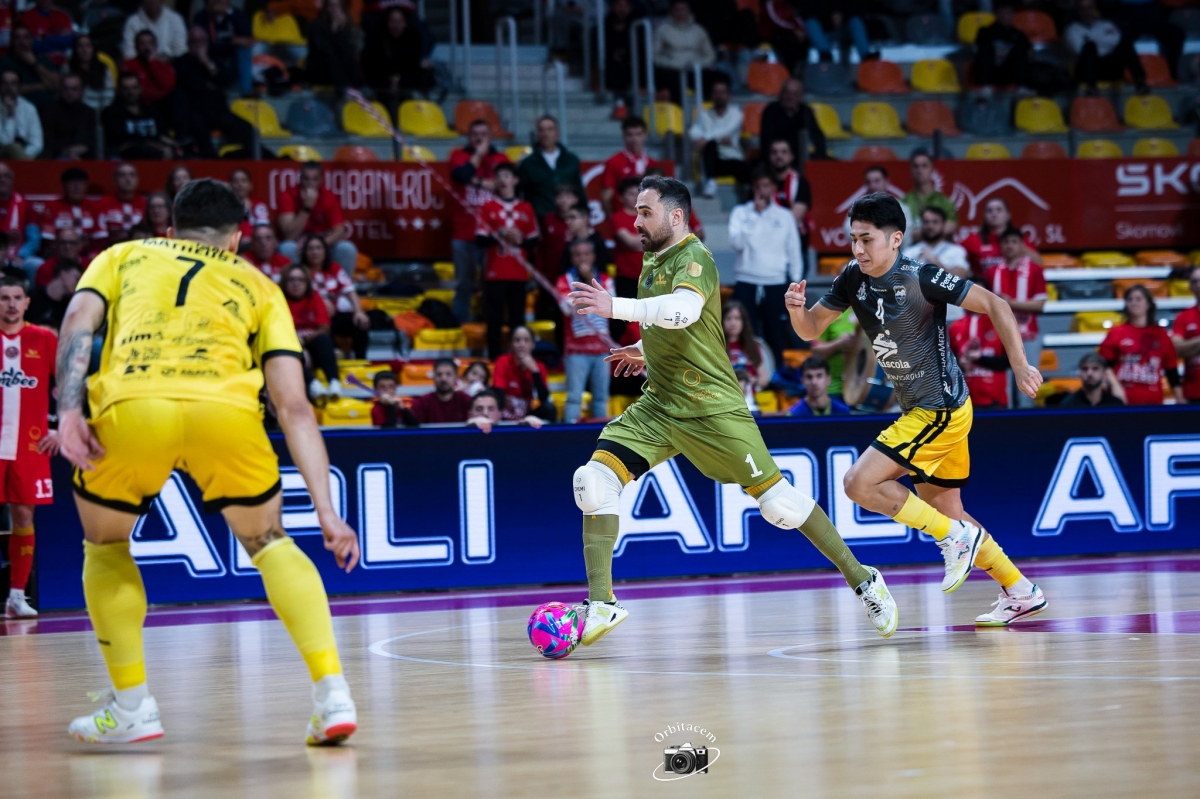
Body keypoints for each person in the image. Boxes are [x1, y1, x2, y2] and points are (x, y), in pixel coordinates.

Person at [57, 178, 359, 745]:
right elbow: (294, 407)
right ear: (237, 240)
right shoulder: (261, 284)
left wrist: (68, 410)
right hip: (225, 413)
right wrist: (328, 512)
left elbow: (77, 322)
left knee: (106, 546)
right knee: (271, 542)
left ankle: (131, 707)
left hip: (133, 407)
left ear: (169, 231)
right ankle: (332, 693)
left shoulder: (122, 255)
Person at [566, 175, 898, 647]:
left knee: (779, 505)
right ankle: (602, 603)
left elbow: (683, 310)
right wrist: (644, 348)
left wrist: (614, 306)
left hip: (712, 409)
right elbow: (677, 327)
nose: (636, 220)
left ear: (675, 216)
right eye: (636, 211)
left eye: (645, 212)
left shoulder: (695, 256)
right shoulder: (652, 258)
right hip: (659, 405)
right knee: (593, 481)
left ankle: (864, 579)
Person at [786, 191, 1048, 626]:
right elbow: (812, 329)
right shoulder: (851, 277)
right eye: (853, 239)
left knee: (858, 484)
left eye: (867, 239)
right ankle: (1020, 590)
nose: (857, 249)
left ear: (895, 239)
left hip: (940, 409)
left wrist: (1020, 365)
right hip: (928, 410)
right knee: (949, 512)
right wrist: (797, 312)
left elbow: (996, 305)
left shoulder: (922, 277)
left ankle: (955, 539)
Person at [0, 271, 59, 618]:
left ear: (27, 302)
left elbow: (69, 384)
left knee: (24, 516)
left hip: (30, 446)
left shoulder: (43, 339)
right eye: (4, 298)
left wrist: (61, 427)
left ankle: (16, 596)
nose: (10, 304)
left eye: (15, 297)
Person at [729, 168, 802, 363]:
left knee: (775, 333)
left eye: (766, 186)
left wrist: (795, 283)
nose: (762, 190)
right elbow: (737, 243)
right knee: (745, 333)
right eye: (759, 186)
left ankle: (776, 376)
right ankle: (747, 374)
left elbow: (794, 250)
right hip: (746, 281)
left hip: (776, 283)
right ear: (753, 188)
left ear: (773, 188)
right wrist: (754, 216)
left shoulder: (785, 216)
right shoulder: (740, 213)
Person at [476, 163, 538, 359]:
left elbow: (534, 240)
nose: (503, 180)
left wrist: (520, 239)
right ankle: (495, 358)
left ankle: (519, 358)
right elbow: (479, 238)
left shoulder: (526, 208)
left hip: (518, 273)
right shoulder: (487, 207)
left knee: (517, 319)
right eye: (499, 176)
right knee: (493, 319)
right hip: (494, 272)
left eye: (507, 175)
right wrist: (501, 235)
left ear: (515, 180)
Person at [449, 119, 508, 323]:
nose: (479, 138)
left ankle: (487, 322)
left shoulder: (501, 158)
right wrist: (479, 155)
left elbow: (504, 185)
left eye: (483, 133)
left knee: (490, 283)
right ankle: (460, 324)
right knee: (464, 284)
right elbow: (460, 175)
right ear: (469, 136)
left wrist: (476, 181)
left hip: (492, 233)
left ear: (490, 135)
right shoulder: (459, 155)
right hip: (463, 232)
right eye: (475, 134)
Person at [172, 27, 255, 158]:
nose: (198, 44)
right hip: (195, 113)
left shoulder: (214, 60)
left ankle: (239, 157)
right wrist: (212, 84)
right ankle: (211, 162)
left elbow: (226, 80)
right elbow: (192, 85)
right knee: (198, 131)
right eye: (194, 41)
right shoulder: (181, 62)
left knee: (248, 129)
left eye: (202, 40)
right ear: (188, 44)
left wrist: (206, 62)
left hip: (218, 111)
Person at [557, 239, 613, 423]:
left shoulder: (606, 278)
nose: (583, 258)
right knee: (574, 397)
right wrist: (597, 298)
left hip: (603, 349)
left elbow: (612, 305)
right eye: (578, 254)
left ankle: (602, 440)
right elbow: (568, 308)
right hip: (576, 350)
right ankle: (570, 437)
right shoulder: (563, 280)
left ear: (594, 256)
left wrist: (590, 280)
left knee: (601, 398)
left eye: (587, 253)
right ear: (572, 258)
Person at [1098, 284, 1183, 405]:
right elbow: (1104, 364)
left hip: (1153, 401)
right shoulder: (1116, 332)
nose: (1134, 303)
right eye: (1130, 299)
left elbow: (1171, 370)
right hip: (1122, 400)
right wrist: (1115, 387)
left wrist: (1180, 398)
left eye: (1138, 299)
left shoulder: (1161, 334)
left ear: (1148, 304)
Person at [277, 161, 357, 273]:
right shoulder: (288, 195)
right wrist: (307, 207)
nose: (310, 183)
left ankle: (344, 288)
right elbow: (289, 235)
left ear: (321, 180)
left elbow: (339, 231)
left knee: (347, 248)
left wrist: (317, 245)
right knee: (287, 248)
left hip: (322, 243)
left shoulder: (328, 195)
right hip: (298, 245)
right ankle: (292, 287)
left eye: (315, 179)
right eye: (306, 179)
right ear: (300, 179)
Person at [300, 235, 370, 360]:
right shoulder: (301, 272)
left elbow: (350, 290)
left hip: (336, 315)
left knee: (360, 323)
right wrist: (321, 304)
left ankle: (361, 361)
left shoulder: (334, 268)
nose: (315, 252)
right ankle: (334, 355)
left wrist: (359, 311)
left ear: (325, 251)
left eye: (318, 248)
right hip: (313, 319)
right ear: (304, 252)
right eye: (310, 249)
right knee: (325, 324)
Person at [280, 263, 341, 400]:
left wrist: (305, 339)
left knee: (324, 340)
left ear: (307, 282)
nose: (296, 284)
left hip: (311, 343)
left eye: (300, 280)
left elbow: (324, 327)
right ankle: (313, 384)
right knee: (289, 351)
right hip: (288, 344)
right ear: (284, 282)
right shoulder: (277, 299)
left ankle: (334, 382)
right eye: (291, 280)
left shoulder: (314, 297)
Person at [984, 226, 1047, 356]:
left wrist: (1010, 303)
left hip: (1028, 334)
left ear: (1022, 245)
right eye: (1006, 242)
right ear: (1000, 245)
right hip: (998, 334)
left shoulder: (1035, 270)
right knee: (1002, 375)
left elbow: (1039, 305)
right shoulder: (992, 272)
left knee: (1029, 375)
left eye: (1014, 241)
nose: (1010, 245)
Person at [1066, 0, 1145, 93]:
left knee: (1125, 44)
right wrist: (1101, 44)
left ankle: (1140, 81)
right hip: (1086, 69)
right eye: (1083, 9)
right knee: (1089, 47)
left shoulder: (1107, 25)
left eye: (1090, 8)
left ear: (1095, 8)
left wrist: (1095, 44)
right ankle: (1092, 88)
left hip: (1108, 66)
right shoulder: (1072, 30)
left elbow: (1117, 41)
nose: (1087, 12)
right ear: (1079, 11)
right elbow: (1079, 50)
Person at [362, 7, 434, 108]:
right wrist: (390, 80)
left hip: (408, 85)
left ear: (405, 23)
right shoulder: (377, 39)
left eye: (400, 22)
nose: (396, 26)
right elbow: (372, 65)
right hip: (381, 86)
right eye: (393, 21)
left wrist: (399, 80)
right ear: (387, 22)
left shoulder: (412, 38)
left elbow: (412, 64)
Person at [688, 78, 746, 199]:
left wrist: (705, 138)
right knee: (710, 145)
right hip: (714, 161)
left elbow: (727, 129)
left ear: (729, 95)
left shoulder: (737, 113)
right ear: (711, 95)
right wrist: (717, 139)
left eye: (722, 92)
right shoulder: (704, 115)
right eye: (716, 92)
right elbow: (693, 131)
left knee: (747, 169)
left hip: (733, 159)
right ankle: (711, 182)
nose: (719, 96)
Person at [652, 0, 719, 104]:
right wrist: (675, 64)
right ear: (671, 12)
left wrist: (697, 65)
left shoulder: (699, 30)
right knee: (673, 82)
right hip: (672, 70)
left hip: (696, 70)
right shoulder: (661, 30)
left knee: (721, 79)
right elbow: (654, 56)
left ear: (689, 11)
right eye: (677, 10)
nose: (681, 13)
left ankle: (707, 112)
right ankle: (680, 114)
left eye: (684, 9)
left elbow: (710, 55)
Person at [518, 115, 584, 219]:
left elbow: (580, 191)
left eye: (550, 129)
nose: (546, 134)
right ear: (537, 134)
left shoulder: (571, 160)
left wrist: (585, 214)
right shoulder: (528, 164)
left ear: (557, 133)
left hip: (569, 220)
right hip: (540, 221)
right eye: (541, 130)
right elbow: (521, 195)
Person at [960, 197, 1040, 279]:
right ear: (984, 216)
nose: (994, 214)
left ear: (1008, 215)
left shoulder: (1018, 239)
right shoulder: (974, 239)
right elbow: (955, 258)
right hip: (983, 288)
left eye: (999, 210)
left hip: (1013, 287)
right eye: (989, 211)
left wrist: (1017, 246)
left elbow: (1038, 262)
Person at [101, 71, 175, 160]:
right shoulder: (111, 113)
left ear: (140, 88)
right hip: (126, 158)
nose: (130, 92)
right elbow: (116, 141)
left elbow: (163, 134)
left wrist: (167, 147)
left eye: (134, 88)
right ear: (119, 90)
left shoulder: (152, 111)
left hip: (154, 156)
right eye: (126, 88)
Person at [493, 325, 556, 423]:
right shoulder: (502, 361)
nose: (521, 344)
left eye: (526, 340)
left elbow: (543, 398)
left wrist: (535, 372)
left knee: (549, 408)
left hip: (527, 415)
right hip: (505, 413)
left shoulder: (539, 366)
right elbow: (498, 394)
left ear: (533, 344)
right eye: (517, 340)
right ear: (511, 344)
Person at [949, 311, 1011, 409]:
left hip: (995, 399)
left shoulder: (1000, 324)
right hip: (964, 400)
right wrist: (960, 364)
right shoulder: (955, 327)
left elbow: (1011, 361)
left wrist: (981, 359)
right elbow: (948, 363)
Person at [192, 0, 254, 94]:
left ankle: (246, 92)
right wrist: (232, 41)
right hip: (210, 58)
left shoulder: (237, 15)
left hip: (231, 58)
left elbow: (248, 40)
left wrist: (229, 15)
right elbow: (204, 42)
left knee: (244, 51)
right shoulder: (201, 16)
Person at [40, 167, 106, 254]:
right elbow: (48, 239)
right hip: (60, 254)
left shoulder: (95, 206)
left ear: (86, 186)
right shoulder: (52, 206)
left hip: (88, 254)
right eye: (72, 183)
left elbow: (100, 238)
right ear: (63, 185)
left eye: (81, 183)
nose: (77, 187)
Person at [760, 79, 827, 164]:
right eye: (787, 93)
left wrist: (819, 157)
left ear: (801, 97)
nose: (790, 97)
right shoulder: (770, 111)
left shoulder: (806, 112)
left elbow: (817, 136)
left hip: (800, 157)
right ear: (781, 94)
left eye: (795, 94)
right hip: (777, 159)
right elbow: (767, 141)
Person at [601, 116, 658, 216]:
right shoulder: (614, 162)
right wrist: (614, 220)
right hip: (623, 219)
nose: (634, 139)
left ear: (646, 135)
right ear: (623, 136)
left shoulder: (652, 163)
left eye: (638, 134)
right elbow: (606, 197)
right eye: (630, 135)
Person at [767, 138, 813, 262]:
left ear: (791, 156)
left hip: (796, 246)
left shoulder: (801, 183)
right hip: (768, 247)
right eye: (774, 152)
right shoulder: (762, 184)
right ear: (770, 156)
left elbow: (794, 218)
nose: (779, 156)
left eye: (784, 152)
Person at [972, 2, 1033, 93]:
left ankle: (1022, 86)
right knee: (985, 48)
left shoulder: (1018, 34)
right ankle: (986, 86)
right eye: (1003, 13)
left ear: (1013, 15)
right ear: (997, 14)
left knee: (1021, 49)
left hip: (1008, 73)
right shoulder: (985, 31)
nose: (1005, 16)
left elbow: (1029, 51)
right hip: (989, 71)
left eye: (1008, 13)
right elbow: (978, 51)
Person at [305, 0, 363, 93]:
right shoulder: (316, 25)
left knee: (348, 58)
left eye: (337, 6)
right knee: (332, 58)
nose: (334, 9)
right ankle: (346, 89)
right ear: (326, 7)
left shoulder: (346, 25)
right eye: (331, 6)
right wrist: (336, 28)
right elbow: (323, 49)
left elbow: (351, 50)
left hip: (340, 69)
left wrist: (342, 29)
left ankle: (359, 87)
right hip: (320, 68)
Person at [39, 73, 97, 160]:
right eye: (66, 89)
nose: (69, 93)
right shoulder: (49, 111)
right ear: (61, 89)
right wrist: (68, 151)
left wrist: (84, 148)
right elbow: (47, 140)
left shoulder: (90, 113)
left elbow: (95, 139)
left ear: (82, 90)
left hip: (85, 156)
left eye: (74, 89)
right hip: (57, 156)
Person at [902, 150, 956, 241]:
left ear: (932, 170)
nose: (920, 170)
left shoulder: (944, 202)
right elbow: (904, 234)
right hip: (911, 252)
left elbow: (950, 228)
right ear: (911, 171)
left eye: (924, 166)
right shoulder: (904, 202)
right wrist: (934, 229)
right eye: (916, 166)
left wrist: (919, 232)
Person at [0, 24, 59, 107]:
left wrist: (34, 64)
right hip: (16, 108)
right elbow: (8, 90)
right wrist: (40, 86)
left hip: (46, 108)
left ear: (31, 40)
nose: (22, 42)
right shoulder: (5, 62)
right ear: (11, 41)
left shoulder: (41, 58)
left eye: (26, 37)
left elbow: (56, 85)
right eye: (17, 38)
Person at [903, 206, 969, 278]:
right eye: (926, 222)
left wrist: (934, 262)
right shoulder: (910, 252)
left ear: (943, 224)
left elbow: (961, 277)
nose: (930, 226)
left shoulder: (956, 251)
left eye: (935, 222)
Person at [0, 163, 41, 280]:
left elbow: (34, 239)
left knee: (35, 264)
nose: (2, 180)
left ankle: (30, 296)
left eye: (6, 176)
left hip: (18, 255)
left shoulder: (25, 205)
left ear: (12, 179)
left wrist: (21, 255)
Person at [404, 358, 476, 424]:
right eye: (439, 374)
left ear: (456, 377)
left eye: (448, 374)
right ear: (434, 377)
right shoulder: (421, 403)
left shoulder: (467, 401)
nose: (443, 379)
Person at [610, 176, 645, 308]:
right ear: (621, 197)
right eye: (630, 194)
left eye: (638, 194)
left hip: (651, 275)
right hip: (627, 276)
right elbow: (629, 242)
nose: (635, 197)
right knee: (627, 316)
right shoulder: (617, 217)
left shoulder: (651, 216)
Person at [723, 299, 771, 393]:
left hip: (750, 398)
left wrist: (751, 380)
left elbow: (764, 380)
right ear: (722, 321)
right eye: (728, 318)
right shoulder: (716, 345)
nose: (732, 323)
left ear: (743, 322)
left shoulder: (753, 345)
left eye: (737, 318)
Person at [805, 0, 876, 62]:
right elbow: (810, 11)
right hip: (824, 32)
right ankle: (826, 56)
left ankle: (867, 58)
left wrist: (842, 15)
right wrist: (830, 15)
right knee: (811, 23)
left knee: (855, 21)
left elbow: (859, 9)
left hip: (846, 30)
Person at [811, 308, 856, 402]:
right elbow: (815, 350)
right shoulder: (829, 313)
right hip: (834, 387)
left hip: (864, 385)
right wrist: (839, 343)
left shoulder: (871, 312)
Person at [122, 30, 177, 107]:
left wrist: (152, 63)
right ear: (136, 47)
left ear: (156, 46)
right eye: (142, 44)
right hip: (140, 105)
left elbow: (167, 87)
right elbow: (133, 91)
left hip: (162, 105)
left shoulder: (164, 64)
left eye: (150, 43)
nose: (147, 47)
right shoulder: (129, 65)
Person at [122, 0, 189, 61]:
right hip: (140, 68)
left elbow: (181, 52)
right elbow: (129, 53)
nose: (152, 1)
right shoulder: (132, 22)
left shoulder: (176, 19)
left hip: (170, 67)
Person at [1171, 265, 1200, 404]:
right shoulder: (1183, 316)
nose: (1199, 284)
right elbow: (1176, 349)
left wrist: (1191, 346)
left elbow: (1183, 347)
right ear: (1190, 287)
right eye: (1195, 281)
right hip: (1193, 391)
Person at [26, 255, 80, 330]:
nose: (79, 283)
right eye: (77, 278)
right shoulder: (32, 296)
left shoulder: (66, 308)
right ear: (63, 273)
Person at [557, 201, 608, 275]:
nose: (568, 222)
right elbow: (563, 271)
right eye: (567, 218)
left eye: (572, 217)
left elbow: (604, 271)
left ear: (585, 218)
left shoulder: (598, 242)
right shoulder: (569, 244)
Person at [0, 69, 42, 159]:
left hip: (24, 154)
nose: (8, 87)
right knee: (14, 147)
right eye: (5, 83)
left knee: (17, 149)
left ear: (19, 87)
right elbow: (4, 142)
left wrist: (24, 155)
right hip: (2, 153)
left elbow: (37, 143)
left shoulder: (29, 108)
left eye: (13, 84)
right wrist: (10, 115)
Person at [99, 163, 146, 242]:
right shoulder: (103, 203)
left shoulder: (145, 204)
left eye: (132, 175)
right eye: (122, 175)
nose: (128, 179)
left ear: (137, 180)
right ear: (114, 180)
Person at [1059, 352, 1126, 407]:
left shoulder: (1115, 404)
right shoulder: (1068, 405)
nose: (1089, 373)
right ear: (1079, 374)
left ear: (1104, 375)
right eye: (1085, 369)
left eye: (1095, 369)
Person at [464, 387, 544, 432]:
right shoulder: (457, 435)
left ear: (500, 414)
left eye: (491, 409)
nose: (485, 413)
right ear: (470, 414)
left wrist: (530, 428)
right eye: (479, 409)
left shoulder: (514, 434)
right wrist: (468, 428)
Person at [68, 34, 115, 111]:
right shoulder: (68, 69)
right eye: (80, 46)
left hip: (103, 110)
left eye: (88, 46)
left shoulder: (103, 68)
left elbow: (109, 93)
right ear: (75, 49)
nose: (84, 50)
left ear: (93, 48)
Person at [20, 0, 74, 66]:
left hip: (61, 63)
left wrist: (45, 38)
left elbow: (70, 40)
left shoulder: (62, 16)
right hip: (37, 63)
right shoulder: (27, 17)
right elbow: (31, 44)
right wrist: (58, 42)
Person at [230, 167, 269, 243]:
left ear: (250, 185)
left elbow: (264, 229)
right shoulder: (224, 206)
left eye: (243, 181)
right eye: (235, 181)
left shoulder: (259, 205)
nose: (240, 185)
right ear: (230, 185)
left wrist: (249, 213)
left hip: (254, 244)